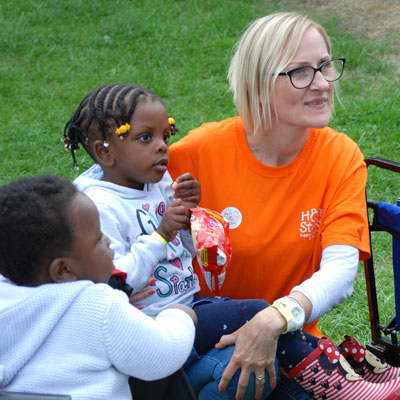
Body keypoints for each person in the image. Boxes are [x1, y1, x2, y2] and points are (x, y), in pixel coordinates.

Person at [61, 84, 400, 400]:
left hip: (190, 311)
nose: (163, 147)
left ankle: (340, 379)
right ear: (104, 151)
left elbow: (181, 255)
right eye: (146, 138)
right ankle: (341, 382)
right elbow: (112, 283)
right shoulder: (97, 205)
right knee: (256, 314)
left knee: (257, 359)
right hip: (152, 334)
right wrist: (161, 235)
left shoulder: (155, 182)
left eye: (166, 135)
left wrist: (192, 220)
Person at [168, 11, 373, 400]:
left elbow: (341, 271)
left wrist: (276, 317)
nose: (322, 83)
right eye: (300, 72)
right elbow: (108, 197)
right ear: (258, 84)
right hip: (199, 339)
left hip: (292, 344)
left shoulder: (340, 156)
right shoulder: (196, 153)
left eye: (325, 66)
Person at [0, 175, 197, 400]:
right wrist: (178, 315)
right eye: (97, 240)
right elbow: (163, 355)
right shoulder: (97, 305)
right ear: (63, 270)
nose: (108, 241)